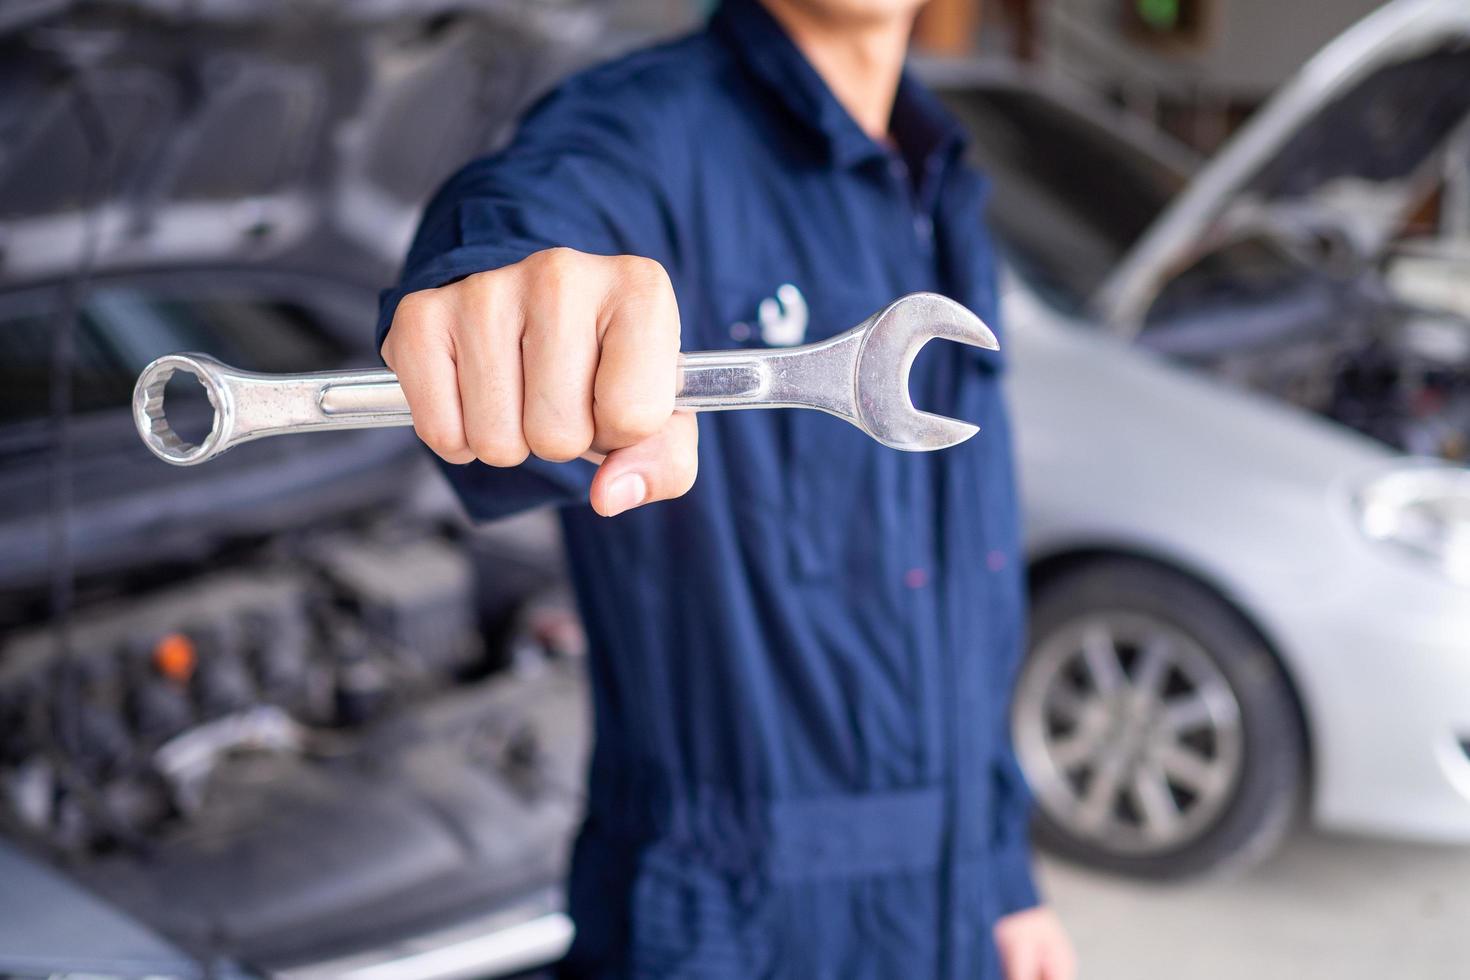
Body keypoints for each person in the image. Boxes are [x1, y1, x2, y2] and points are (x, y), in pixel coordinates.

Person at [377, 0, 1076, 976]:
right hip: (723, 923)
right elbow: (533, 216)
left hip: (955, 901)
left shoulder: (939, 178)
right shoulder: (639, 127)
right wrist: (509, 286)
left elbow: (967, 581)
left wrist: (1003, 876)